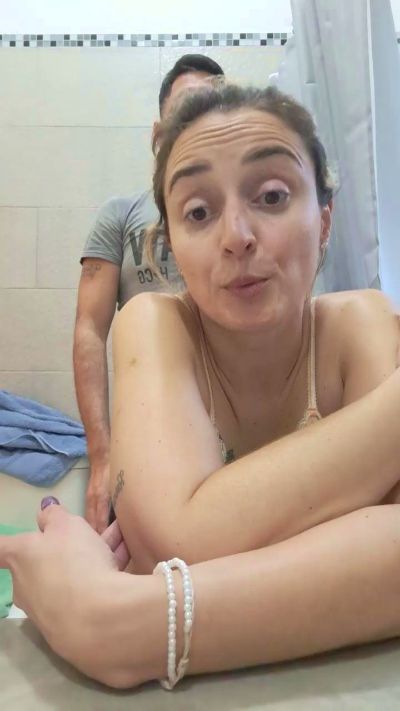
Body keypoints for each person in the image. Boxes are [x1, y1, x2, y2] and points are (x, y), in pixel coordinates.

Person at [2, 84, 400, 690]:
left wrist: (119, 621)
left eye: (272, 195)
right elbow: (176, 542)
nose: (236, 234)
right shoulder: (155, 325)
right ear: (170, 248)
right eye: (198, 212)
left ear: (324, 219)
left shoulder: (360, 324)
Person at [73, 55, 224, 533]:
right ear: (158, 133)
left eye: (211, 106)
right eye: (186, 109)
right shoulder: (121, 215)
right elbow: (89, 330)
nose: (198, 120)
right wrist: (102, 457)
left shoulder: (238, 222)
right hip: (146, 439)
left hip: (232, 432)